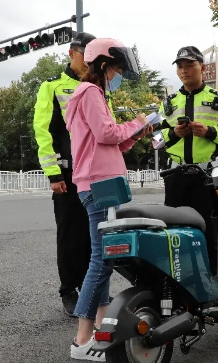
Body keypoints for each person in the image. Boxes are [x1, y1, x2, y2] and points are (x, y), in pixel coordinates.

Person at [65, 37, 152, 361]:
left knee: (103, 259)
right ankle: (82, 341)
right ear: (102, 65)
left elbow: (107, 142)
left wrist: (134, 134)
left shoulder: (93, 94)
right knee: (101, 259)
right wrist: (138, 122)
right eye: (114, 68)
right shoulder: (89, 92)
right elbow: (105, 134)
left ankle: (99, 332)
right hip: (99, 185)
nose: (116, 74)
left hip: (102, 182)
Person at [33, 32, 115, 316]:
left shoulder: (98, 87)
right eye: (85, 53)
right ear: (72, 53)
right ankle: (69, 289)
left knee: (97, 233)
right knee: (70, 234)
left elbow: (106, 129)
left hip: (95, 173)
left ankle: (92, 288)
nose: (90, 59)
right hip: (67, 175)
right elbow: (43, 131)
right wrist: (53, 173)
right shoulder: (52, 87)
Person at [157, 45, 218, 275]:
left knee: (209, 228)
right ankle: (179, 278)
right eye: (180, 67)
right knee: (174, 231)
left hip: (207, 176)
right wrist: (174, 133)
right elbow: (155, 140)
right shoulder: (168, 103)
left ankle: (212, 277)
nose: (184, 71)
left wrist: (210, 132)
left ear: (202, 68)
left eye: (190, 65)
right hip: (175, 177)